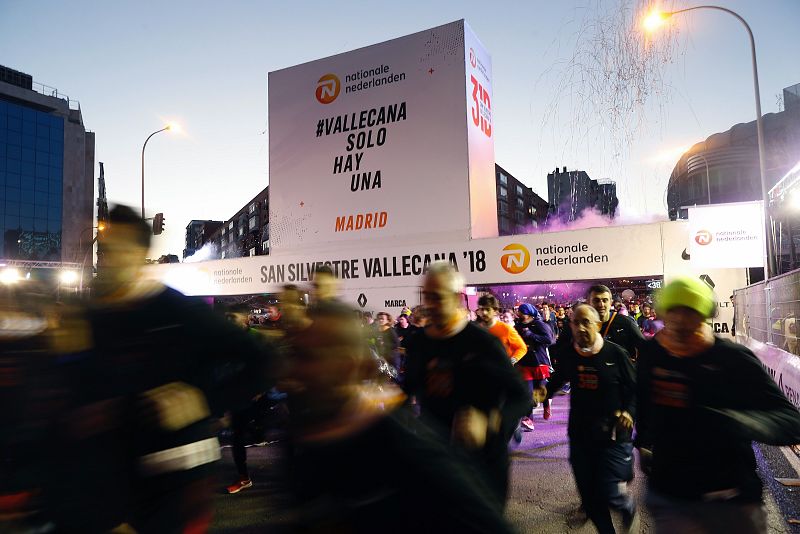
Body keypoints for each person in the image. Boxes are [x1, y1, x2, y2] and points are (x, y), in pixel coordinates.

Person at [87, 205, 274, 532]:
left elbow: (264, 360)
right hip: (115, 474)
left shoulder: (178, 310)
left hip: (178, 475)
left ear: (140, 253)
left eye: (120, 249)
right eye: (106, 249)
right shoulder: (95, 316)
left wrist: (204, 402)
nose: (110, 259)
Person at [636, 277, 800, 534]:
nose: (678, 321)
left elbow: (791, 422)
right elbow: (645, 402)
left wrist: (737, 422)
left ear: (705, 316)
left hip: (729, 499)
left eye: (689, 312)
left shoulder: (733, 359)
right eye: (672, 312)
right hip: (670, 496)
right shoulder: (652, 354)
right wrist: (643, 443)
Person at [404, 262, 530, 504]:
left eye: (437, 297)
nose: (430, 305)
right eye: (426, 296)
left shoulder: (483, 343)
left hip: (483, 462)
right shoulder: (419, 342)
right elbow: (407, 389)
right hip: (439, 460)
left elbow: (520, 396)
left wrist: (490, 422)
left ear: (456, 297)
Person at [536, 304, 638, 534]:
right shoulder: (569, 355)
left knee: (610, 493)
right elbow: (557, 380)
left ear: (598, 326)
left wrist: (629, 412)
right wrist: (544, 392)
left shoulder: (615, 354)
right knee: (590, 498)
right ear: (570, 326)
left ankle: (627, 506)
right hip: (580, 435)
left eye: (586, 323)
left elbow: (634, 389)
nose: (581, 328)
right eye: (576, 323)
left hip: (612, 434)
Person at [515, 303, 555, 425]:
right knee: (528, 393)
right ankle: (529, 419)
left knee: (541, 390)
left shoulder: (539, 324)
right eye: (519, 313)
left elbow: (549, 340)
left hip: (540, 362)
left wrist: (531, 335)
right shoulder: (518, 326)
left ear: (529, 314)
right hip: (525, 364)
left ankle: (546, 404)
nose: (521, 316)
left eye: (523, 313)